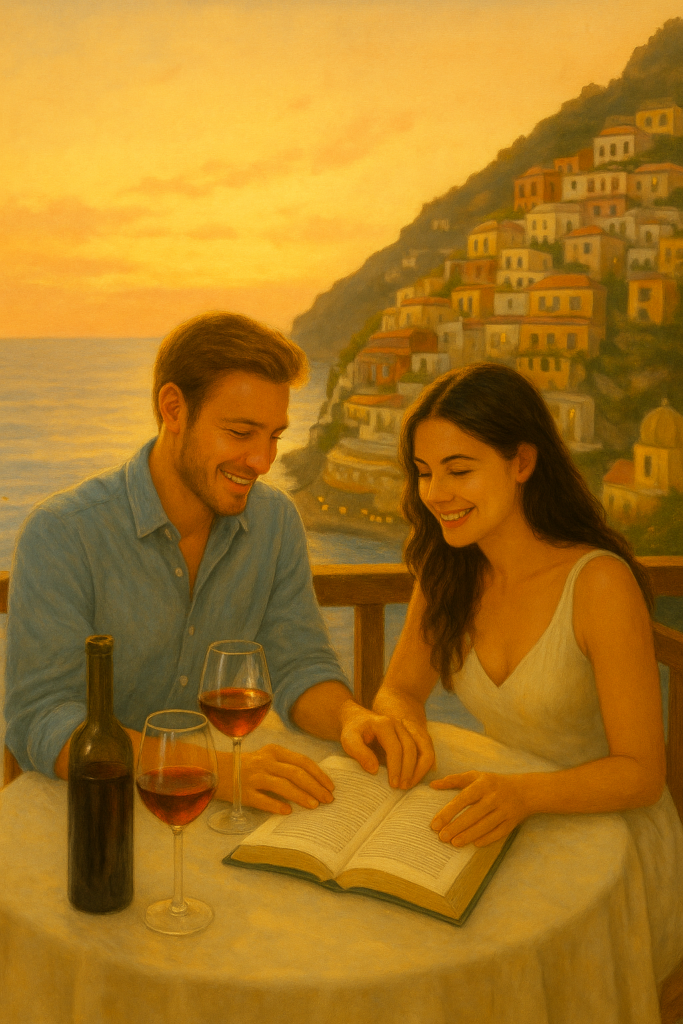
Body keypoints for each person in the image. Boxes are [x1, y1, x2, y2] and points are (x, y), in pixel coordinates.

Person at [4, 311, 432, 812]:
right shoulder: (62, 533)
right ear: (173, 409)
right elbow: (42, 718)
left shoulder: (275, 522)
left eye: (273, 436)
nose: (263, 461)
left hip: (208, 808)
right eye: (241, 432)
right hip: (86, 812)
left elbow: (299, 663)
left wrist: (349, 719)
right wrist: (214, 771)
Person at [372, 362, 683, 980]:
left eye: (460, 471)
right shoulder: (447, 572)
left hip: (609, 841)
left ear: (521, 463)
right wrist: (403, 724)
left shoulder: (597, 584)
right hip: (508, 819)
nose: (436, 494)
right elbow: (400, 688)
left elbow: (642, 774)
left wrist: (520, 794)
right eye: (425, 472)